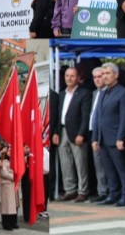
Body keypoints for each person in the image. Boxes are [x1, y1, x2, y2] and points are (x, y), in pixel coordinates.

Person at [92, 62, 125, 206]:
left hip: (115, 138)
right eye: (103, 74)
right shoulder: (102, 93)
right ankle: (113, 194)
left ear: (116, 75)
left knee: (122, 169)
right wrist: (95, 138)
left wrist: (120, 137)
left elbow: (124, 117)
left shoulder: (123, 92)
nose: (104, 77)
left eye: (107, 73)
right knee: (109, 170)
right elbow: (98, 117)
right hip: (103, 138)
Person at [53, 66, 92, 202]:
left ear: (78, 78)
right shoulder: (62, 93)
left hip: (76, 133)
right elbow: (59, 115)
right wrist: (56, 132)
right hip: (62, 131)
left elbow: (85, 116)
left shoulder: (84, 93)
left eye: (72, 76)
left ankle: (83, 190)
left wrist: (81, 133)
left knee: (80, 162)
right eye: (67, 76)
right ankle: (70, 189)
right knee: (65, 162)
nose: (69, 78)